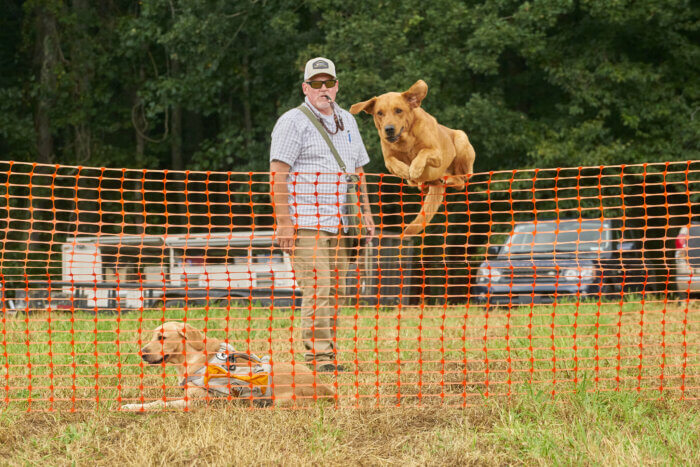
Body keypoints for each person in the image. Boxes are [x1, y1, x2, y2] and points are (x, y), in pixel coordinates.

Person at [270, 57, 375, 373]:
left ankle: (327, 357)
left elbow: (358, 171)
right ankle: (319, 361)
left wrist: (366, 215)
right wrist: (284, 223)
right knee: (318, 288)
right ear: (306, 87)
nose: (323, 88)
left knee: (335, 290)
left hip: (342, 223)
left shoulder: (348, 121)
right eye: (316, 83)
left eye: (329, 82)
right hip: (306, 223)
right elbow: (277, 174)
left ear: (337, 85)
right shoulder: (292, 121)